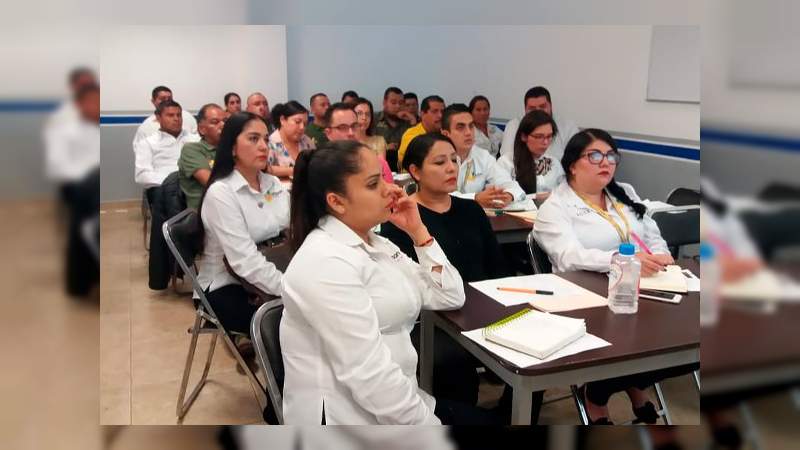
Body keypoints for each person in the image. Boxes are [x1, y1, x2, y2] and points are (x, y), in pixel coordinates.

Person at [280, 140, 500, 425]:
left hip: (398, 404)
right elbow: (367, 374)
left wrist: (419, 231)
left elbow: (450, 296)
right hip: (349, 418)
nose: (391, 189)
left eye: (384, 177)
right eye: (374, 184)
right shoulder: (324, 262)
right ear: (336, 201)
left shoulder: (376, 242)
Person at [534, 129, 685, 424]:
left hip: (643, 289)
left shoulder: (624, 191)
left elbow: (651, 235)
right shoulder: (556, 206)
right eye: (594, 155)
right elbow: (568, 256)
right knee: (639, 341)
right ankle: (599, 394)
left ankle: (627, 384)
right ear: (572, 164)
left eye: (611, 155)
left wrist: (662, 256)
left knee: (682, 343)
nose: (606, 162)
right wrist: (623, 260)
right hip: (585, 297)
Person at [195, 112, 289, 335]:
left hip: (271, 266)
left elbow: (292, 228)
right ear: (232, 148)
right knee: (293, 324)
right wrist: (289, 289)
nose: (264, 146)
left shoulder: (272, 182)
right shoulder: (222, 192)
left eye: (266, 139)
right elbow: (244, 262)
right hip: (226, 283)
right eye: (253, 139)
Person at [44, 76, 100, 298]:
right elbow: (58, 166)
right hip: (74, 185)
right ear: (79, 104)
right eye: (91, 101)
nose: (96, 106)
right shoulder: (64, 130)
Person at [440, 104, 525, 209]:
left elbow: (513, 187)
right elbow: (440, 196)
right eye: (460, 127)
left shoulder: (483, 156)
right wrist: (475, 198)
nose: (468, 133)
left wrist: (508, 195)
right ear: (445, 134)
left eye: (471, 126)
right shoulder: (436, 159)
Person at [497, 110, 565, 200]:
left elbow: (565, 193)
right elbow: (505, 196)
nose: (545, 142)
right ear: (524, 136)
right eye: (539, 136)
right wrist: (536, 197)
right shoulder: (506, 163)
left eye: (549, 136)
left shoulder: (553, 163)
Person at [499, 86, 578, 161]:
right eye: (532, 108)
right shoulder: (514, 125)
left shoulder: (568, 126)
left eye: (542, 106)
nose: (538, 111)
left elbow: (575, 159)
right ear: (525, 109)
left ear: (550, 106)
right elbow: (507, 157)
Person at [134, 100, 199, 188]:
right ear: (158, 118)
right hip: (164, 188)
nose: (176, 119)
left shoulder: (195, 139)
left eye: (179, 115)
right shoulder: (148, 143)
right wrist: (173, 181)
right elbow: (142, 175)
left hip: (195, 185)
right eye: (170, 115)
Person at [178, 103, 226, 209]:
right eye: (215, 122)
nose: (223, 125)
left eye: (225, 121)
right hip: (206, 211)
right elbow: (213, 183)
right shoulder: (191, 149)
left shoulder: (233, 148)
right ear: (202, 129)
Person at [133, 86, 198, 146]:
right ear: (153, 101)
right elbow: (140, 150)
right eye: (162, 99)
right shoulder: (146, 126)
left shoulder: (187, 117)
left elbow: (198, 140)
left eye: (169, 99)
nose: (166, 101)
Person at [267, 101, 315, 178]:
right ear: (282, 120)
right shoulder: (270, 142)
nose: (302, 127)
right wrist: (294, 170)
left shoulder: (306, 141)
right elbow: (265, 168)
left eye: (305, 124)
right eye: (297, 122)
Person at [397, 95, 445, 168]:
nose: (440, 115)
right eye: (435, 111)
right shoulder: (411, 135)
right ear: (422, 114)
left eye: (442, 111)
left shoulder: (446, 133)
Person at [374, 87, 415, 171]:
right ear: (384, 103)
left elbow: (416, 147)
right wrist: (385, 147)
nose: (398, 106)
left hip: (403, 169)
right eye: (393, 102)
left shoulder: (408, 122)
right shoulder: (374, 119)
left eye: (401, 103)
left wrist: (412, 120)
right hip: (377, 167)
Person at [353, 97, 393, 183]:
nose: (364, 118)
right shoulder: (346, 142)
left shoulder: (378, 141)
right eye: (359, 113)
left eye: (367, 114)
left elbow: (382, 170)